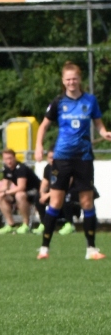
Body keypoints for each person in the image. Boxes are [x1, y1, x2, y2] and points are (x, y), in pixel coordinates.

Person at [34, 61, 111, 260]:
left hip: (84, 157)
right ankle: (44, 248)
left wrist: (105, 133)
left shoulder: (90, 101)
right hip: (62, 157)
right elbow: (43, 126)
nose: (71, 82)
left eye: (74, 79)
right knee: (56, 201)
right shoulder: (59, 102)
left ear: (80, 80)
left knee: (87, 201)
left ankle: (91, 249)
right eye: (68, 79)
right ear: (63, 81)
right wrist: (39, 146)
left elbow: (99, 126)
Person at [32, 149, 80, 236]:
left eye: (54, 157)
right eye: (50, 157)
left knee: (64, 196)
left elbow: (65, 186)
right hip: (54, 192)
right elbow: (44, 183)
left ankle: (69, 224)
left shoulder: (65, 167)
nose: (52, 160)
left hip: (71, 192)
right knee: (37, 197)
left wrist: (48, 195)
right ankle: (44, 223)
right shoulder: (48, 168)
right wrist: (42, 194)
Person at [0, 148, 40, 235]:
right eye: (6, 159)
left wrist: (5, 193)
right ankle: (11, 225)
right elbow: (5, 186)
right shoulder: (6, 168)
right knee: (1, 197)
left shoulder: (21, 168)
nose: (8, 161)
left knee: (19, 195)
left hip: (35, 192)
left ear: (14, 158)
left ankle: (26, 224)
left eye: (10, 158)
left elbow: (21, 187)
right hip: (23, 192)